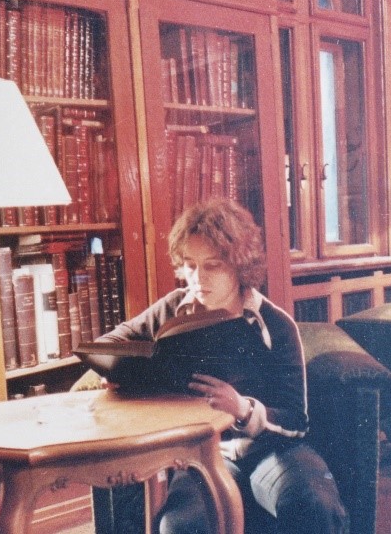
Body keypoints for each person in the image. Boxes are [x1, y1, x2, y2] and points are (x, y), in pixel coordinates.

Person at [96, 198, 346, 534]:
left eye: (212, 266)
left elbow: (296, 422)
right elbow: (110, 344)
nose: (197, 278)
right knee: (180, 526)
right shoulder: (171, 310)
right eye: (189, 265)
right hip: (202, 455)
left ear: (239, 266)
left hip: (272, 451)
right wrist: (118, 369)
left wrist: (243, 409)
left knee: (314, 505)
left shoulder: (275, 325)